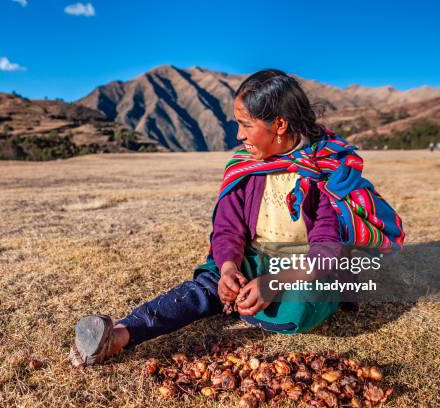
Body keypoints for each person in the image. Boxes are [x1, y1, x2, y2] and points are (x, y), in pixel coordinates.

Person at [69, 69, 343, 367]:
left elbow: (327, 250)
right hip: (253, 260)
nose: (238, 135)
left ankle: (239, 302)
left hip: (301, 266)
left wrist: (275, 282)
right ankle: (120, 335)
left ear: (279, 124)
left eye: (245, 125)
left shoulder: (326, 171)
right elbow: (228, 230)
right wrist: (228, 268)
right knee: (206, 285)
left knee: (301, 307)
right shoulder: (244, 166)